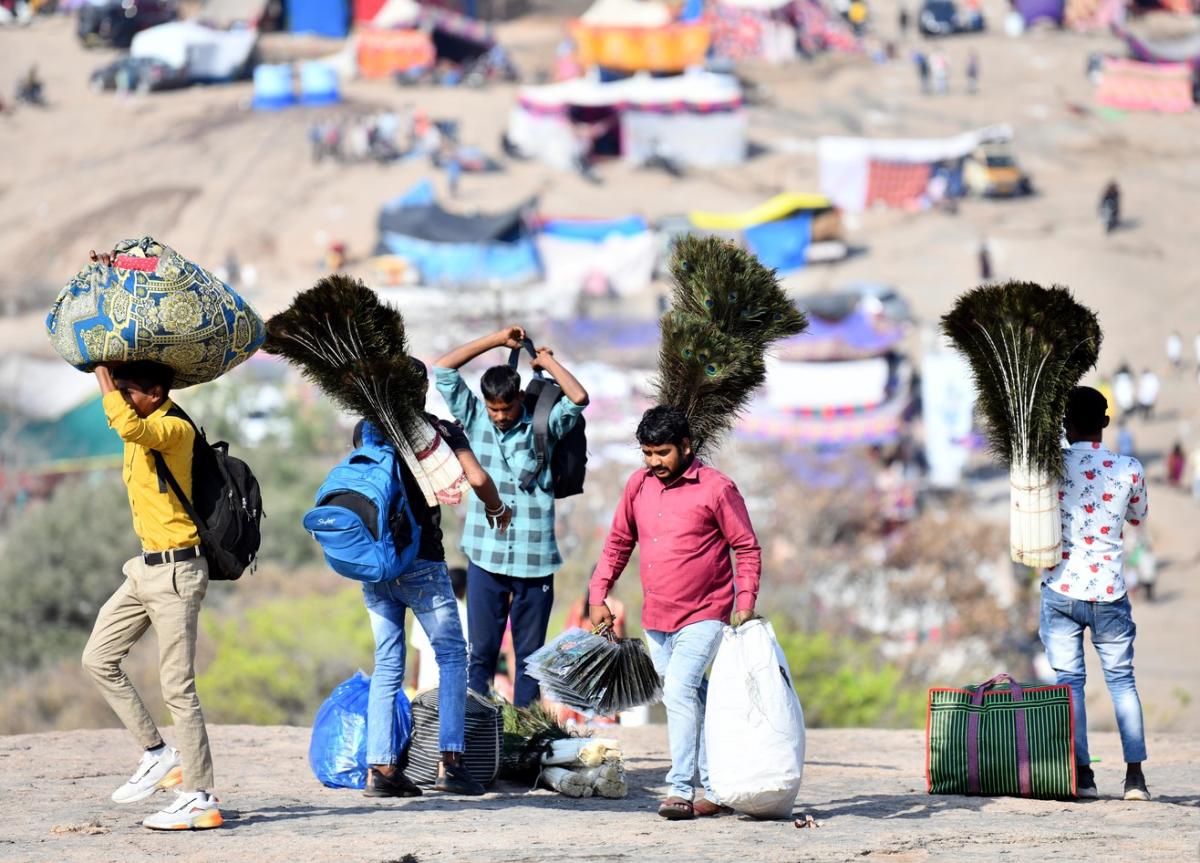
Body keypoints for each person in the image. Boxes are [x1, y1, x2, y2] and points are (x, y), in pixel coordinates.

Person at [589, 406, 761, 820]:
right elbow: (618, 543)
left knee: (680, 691)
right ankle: (718, 786)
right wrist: (598, 593)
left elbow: (746, 547)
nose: (653, 462)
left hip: (707, 612)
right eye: (647, 453)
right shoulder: (638, 485)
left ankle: (680, 788)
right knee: (691, 697)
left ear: (686, 447)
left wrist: (745, 602)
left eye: (662, 453)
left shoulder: (717, 488)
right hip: (657, 618)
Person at [358, 359, 513, 798]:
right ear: (422, 390)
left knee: (387, 663)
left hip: (377, 561)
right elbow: (477, 478)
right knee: (452, 657)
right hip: (423, 561)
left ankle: (382, 771)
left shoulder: (368, 428)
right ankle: (451, 763)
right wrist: (499, 509)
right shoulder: (440, 432)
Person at [81, 351, 222, 829]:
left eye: (129, 392)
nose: (122, 400)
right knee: (98, 659)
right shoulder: (139, 417)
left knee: (178, 689)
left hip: (178, 575)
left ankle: (200, 795)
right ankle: (158, 753)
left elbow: (128, 428)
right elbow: (125, 423)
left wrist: (103, 374)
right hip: (144, 569)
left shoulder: (172, 429)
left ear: (156, 393)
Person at [435, 326, 589, 707]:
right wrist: (497, 340)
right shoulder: (473, 418)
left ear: (519, 398)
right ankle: (476, 734)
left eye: (506, 408)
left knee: (530, 660)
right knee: (481, 654)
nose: (500, 416)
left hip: (534, 562)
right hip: (485, 559)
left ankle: (521, 736)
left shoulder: (544, 426)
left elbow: (579, 398)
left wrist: (547, 362)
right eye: (494, 409)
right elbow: (443, 370)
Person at [1040, 387, 1150, 801]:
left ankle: (1083, 776)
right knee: (1122, 681)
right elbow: (1138, 517)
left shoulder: (1048, 466)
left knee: (1070, 685)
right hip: (1109, 590)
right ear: (1105, 423)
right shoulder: (1128, 467)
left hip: (1060, 588)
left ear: (1065, 425)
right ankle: (1134, 778)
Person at [410, 566, 469, 692]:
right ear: (463, 588)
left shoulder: (424, 610)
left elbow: (418, 652)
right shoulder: (467, 614)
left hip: (425, 687)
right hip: (455, 687)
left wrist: (414, 681)